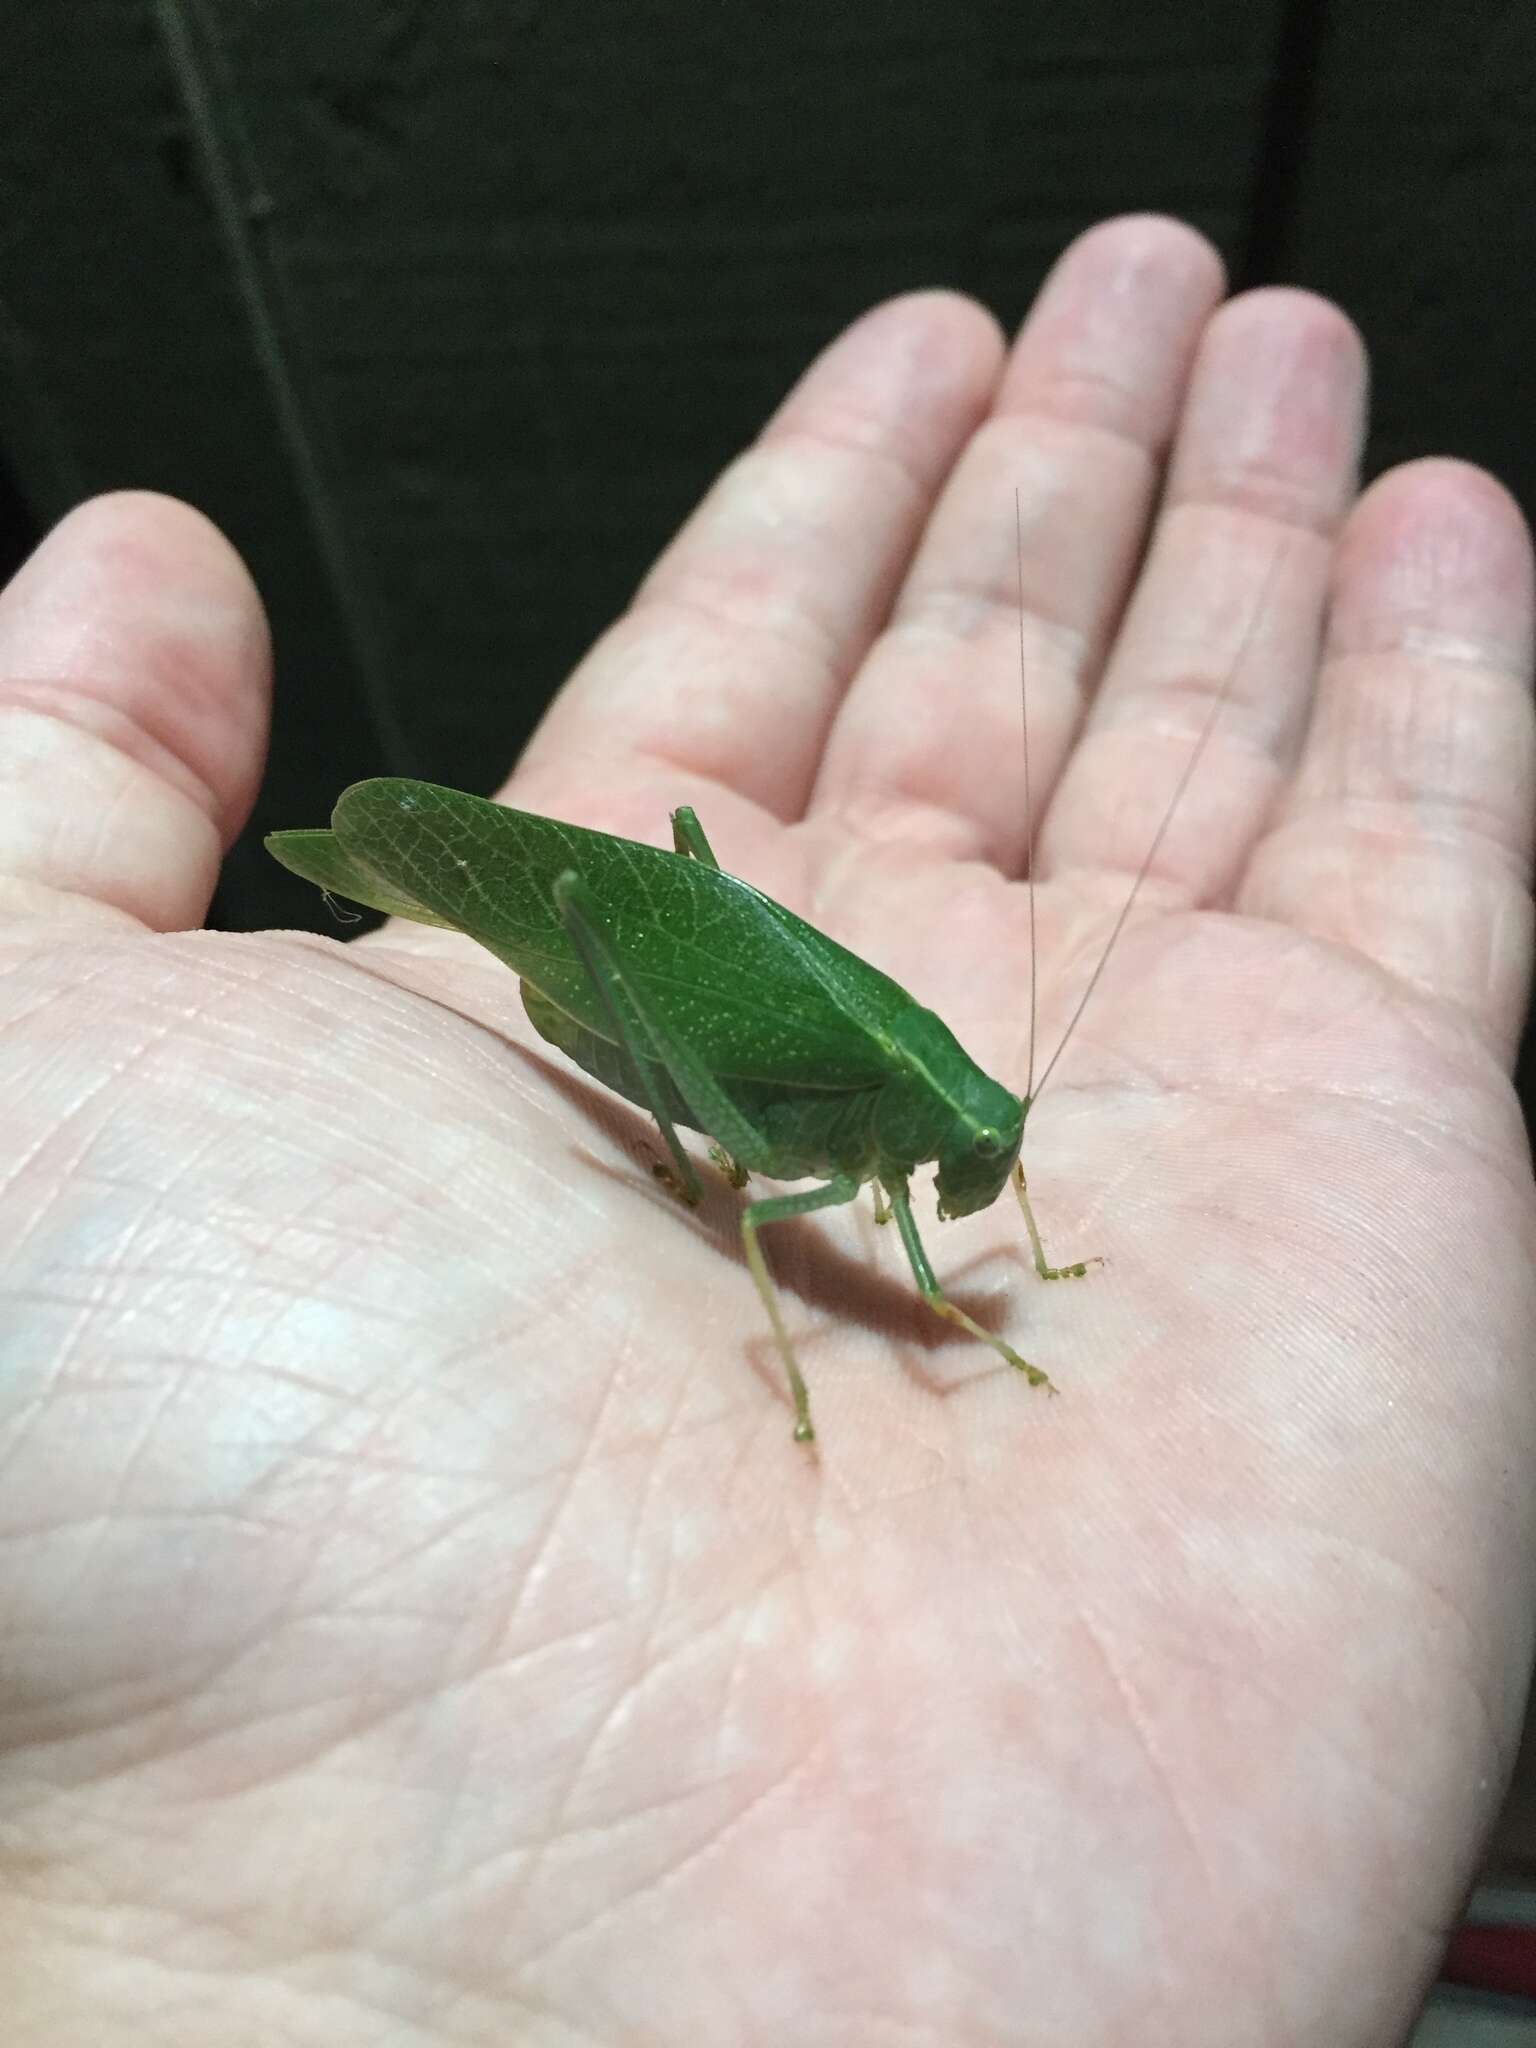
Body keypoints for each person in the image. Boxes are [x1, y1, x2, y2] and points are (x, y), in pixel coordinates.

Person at [2, 214, 1532, 2045]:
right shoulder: (889, 1143)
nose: (971, 1173)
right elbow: (758, 1217)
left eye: (992, 1162)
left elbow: (931, 1177)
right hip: (640, 1026)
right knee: (712, 1101)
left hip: (728, 1053)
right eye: (979, 1165)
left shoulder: (952, 1116)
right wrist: (842, 1353)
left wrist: (1012, 1250)